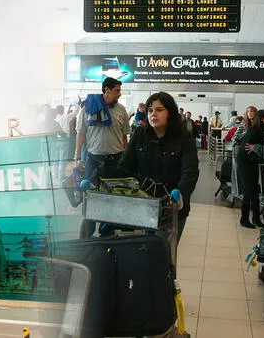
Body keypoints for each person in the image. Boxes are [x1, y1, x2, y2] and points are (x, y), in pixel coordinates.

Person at [119, 92, 199, 241]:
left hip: (172, 209)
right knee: (148, 252)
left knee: (164, 254)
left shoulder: (183, 137)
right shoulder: (140, 134)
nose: (153, 114)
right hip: (146, 206)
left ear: (170, 113)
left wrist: (180, 194)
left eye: (159, 110)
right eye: (150, 110)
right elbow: (126, 165)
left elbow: (190, 171)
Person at [74, 77, 131, 237]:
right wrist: (77, 157)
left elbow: (124, 136)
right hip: (93, 160)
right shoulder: (88, 108)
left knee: (112, 197)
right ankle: (87, 233)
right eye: (117, 90)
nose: (119, 94)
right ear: (106, 90)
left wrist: (126, 160)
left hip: (116, 160)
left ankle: (107, 232)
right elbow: (81, 134)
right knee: (90, 196)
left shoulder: (121, 110)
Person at [236, 106, 264, 228]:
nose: (250, 113)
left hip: (250, 162)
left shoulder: (256, 129)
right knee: (249, 191)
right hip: (246, 162)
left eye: (252, 111)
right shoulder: (252, 129)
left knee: (253, 191)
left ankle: (256, 218)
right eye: (248, 111)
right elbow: (244, 145)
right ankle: (244, 218)